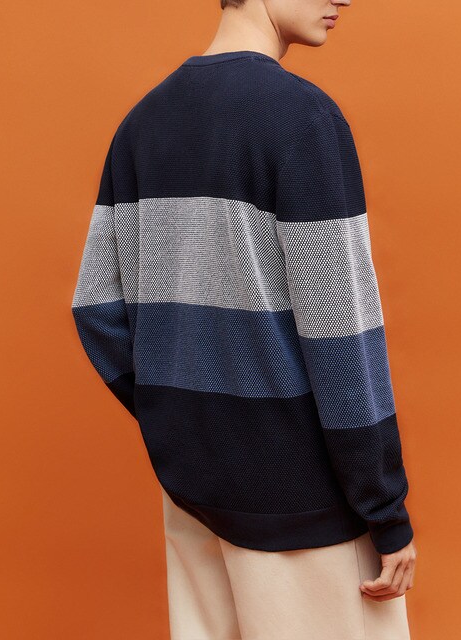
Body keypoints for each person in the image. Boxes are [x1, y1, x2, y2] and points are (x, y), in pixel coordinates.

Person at [71, 0, 418, 637]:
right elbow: (342, 335)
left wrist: (184, 422)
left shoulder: (144, 122)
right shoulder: (302, 116)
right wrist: (385, 509)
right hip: (302, 496)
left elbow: (96, 308)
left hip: (193, 493)